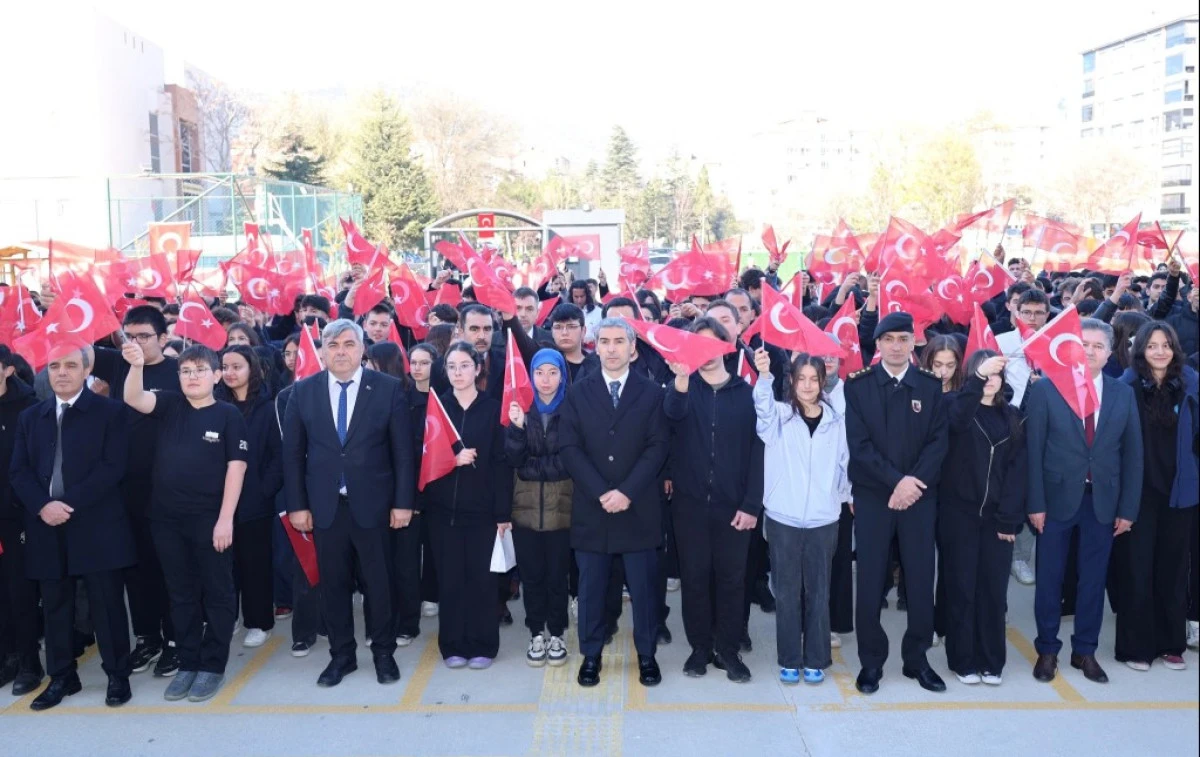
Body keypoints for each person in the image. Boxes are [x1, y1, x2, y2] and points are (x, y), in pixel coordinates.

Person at [283, 319, 414, 688]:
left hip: (374, 506)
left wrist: (403, 502)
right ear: (322, 350)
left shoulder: (387, 389)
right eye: (333, 344)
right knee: (333, 585)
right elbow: (292, 456)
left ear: (361, 349)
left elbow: (403, 454)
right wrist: (297, 506)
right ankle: (342, 655)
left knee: (379, 583)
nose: (340, 351)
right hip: (325, 508)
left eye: (348, 344)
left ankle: (383, 653)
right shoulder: (303, 392)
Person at [9, 346, 134, 710]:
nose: (61, 372)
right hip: (45, 524)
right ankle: (62, 677)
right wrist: (43, 506)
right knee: (55, 605)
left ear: (86, 369)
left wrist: (68, 504)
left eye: (70, 365)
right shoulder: (33, 416)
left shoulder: (110, 412)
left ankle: (117, 675)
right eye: (53, 366)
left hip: (96, 523)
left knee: (106, 603)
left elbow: (113, 467)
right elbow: (19, 471)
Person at [123, 343, 249, 702]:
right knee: (180, 594)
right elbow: (134, 398)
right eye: (186, 371)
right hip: (166, 520)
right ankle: (189, 661)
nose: (192, 377)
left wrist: (225, 520)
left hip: (210, 520)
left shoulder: (228, 415)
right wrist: (135, 366)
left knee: (218, 592)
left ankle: (212, 665)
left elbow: (236, 469)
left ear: (217, 375)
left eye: (200, 370)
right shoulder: (169, 405)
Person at [1026, 318, 1143, 685]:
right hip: (1057, 499)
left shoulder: (1122, 393)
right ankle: (1047, 649)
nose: (1090, 351)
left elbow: (1133, 454)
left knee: (1093, 579)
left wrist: (1128, 508)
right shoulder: (1046, 390)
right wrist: (1035, 503)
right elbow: (1033, 450)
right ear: (1071, 348)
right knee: (1049, 577)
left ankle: (1085, 651)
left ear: (1110, 353)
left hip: (1103, 502)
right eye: (1084, 344)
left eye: (1098, 346)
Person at [560, 318, 669, 688]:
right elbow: (569, 448)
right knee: (591, 590)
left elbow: (657, 448)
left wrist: (627, 491)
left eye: (619, 341)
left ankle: (647, 655)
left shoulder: (652, 393)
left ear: (632, 348)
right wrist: (600, 491)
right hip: (594, 509)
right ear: (595, 346)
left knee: (644, 590)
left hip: (638, 508)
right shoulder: (578, 392)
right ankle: (591, 655)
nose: (611, 348)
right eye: (604, 341)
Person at [844, 311, 949, 695]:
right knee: (870, 581)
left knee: (921, 580)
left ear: (913, 344)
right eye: (889, 339)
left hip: (919, 497)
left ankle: (917, 660)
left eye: (904, 339)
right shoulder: (857, 387)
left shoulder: (930, 386)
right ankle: (871, 662)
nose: (896, 346)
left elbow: (939, 443)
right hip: (874, 496)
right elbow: (859, 446)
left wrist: (912, 484)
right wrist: (896, 481)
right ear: (878, 345)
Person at [662, 318, 762, 683]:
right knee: (695, 578)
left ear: (725, 346)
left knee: (732, 580)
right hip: (689, 505)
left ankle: (728, 649)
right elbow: (670, 416)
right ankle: (700, 647)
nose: (705, 353)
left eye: (711, 345)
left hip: (735, 505)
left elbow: (758, 450)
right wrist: (681, 384)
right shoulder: (682, 387)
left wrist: (752, 504)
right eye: (697, 345)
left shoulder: (745, 392)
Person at [753, 347, 848, 685]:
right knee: (788, 591)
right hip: (783, 519)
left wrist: (844, 496)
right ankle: (790, 658)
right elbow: (761, 409)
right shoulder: (778, 416)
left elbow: (844, 463)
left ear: (822, 382)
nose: (807, 385)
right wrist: (764, 376)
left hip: (824, 519)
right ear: (791, 381)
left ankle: (817, 658)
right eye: (801, 379)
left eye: (814, 379)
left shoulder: (836, 420)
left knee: (819, 591)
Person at [1113, 322, 1198, 671]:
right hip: (1139, 492)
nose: (1160, 351)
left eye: (1166, 345)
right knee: (1137, 569)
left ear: (1174, 349)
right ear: (1140, 351)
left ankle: (1171, 643)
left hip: (1181, 492)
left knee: (1174, 568)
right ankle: (1137, 647)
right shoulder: (1126, 387)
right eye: (1152, 346)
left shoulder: (1192, 384)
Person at [939, 351, 1027, 686]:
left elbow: (1018, 473)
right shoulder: (954, 407)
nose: (991, 381)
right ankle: (963, 660)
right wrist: (975, 383)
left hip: (997, 519)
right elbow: (958, 419)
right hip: (958, 515)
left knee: (993, 591)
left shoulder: (1014, 417)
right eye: (983, 374)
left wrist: (1008, 519)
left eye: (995, 375)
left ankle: (992, 661)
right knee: (961, 588)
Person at [423, 342, 512, 669]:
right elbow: (424, 457)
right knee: (450, 580)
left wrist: (503, 513)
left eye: (464, 365)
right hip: (441, 511)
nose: (458, 372)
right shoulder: (436, 408)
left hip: (483, 512)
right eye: (452, 366)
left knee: (482, 581)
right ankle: (453, 645)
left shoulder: (493, 410)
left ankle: (484, 645)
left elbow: (502, 464)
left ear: (478, 369)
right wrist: (450, 459)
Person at [506, 348, 573, 668]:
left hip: (564, 510)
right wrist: (517, 429)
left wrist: (535, 466)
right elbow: (514, 460)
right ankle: (536, 632)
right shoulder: (521, 410)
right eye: (539, 373)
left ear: (562, 375)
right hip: (525, 512)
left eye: (553, 372)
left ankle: (557, 632)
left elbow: (570, 462)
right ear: (530, 376)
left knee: (558, 577)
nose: (546, 380)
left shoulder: (573, 410)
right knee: (532, 577)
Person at [216, 346, 283, 650]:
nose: (230, 372)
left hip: (255, 501)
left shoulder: (268, 407)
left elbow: (277, 457)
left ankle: (259, 621)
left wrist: (263, 490)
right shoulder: (214, 405)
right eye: (225, 366)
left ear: (252, 369)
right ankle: (229, 616)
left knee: (255, 564)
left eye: (237, 366)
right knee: (224, 566)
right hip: (218, 501)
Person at [995, 288, 1050, 589]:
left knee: (1036, 488)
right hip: (1008, 422)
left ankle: (1026, 555)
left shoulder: (1056, 344)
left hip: (1043, 426)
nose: (1032, 317)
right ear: (1016, 312)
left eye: (1038, 312)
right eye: (1026, 311)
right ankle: (1009, 553)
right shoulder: (1001, 343)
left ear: (1047, 314)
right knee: (1010, 487)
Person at [0, 345, 42, 696]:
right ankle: (7, 657)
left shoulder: (29, 408)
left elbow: (31, 467)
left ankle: (30, 662)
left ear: (7, 370)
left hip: (17, 516)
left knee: (20, 591)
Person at [407, 344, 441, 621]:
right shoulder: (402, 398)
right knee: (409, 546)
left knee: (433, 543)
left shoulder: (442, 399)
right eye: (413, 362)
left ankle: (431, 593)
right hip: (411, 481)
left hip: (436, 481)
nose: (417, 368)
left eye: (424, 362)